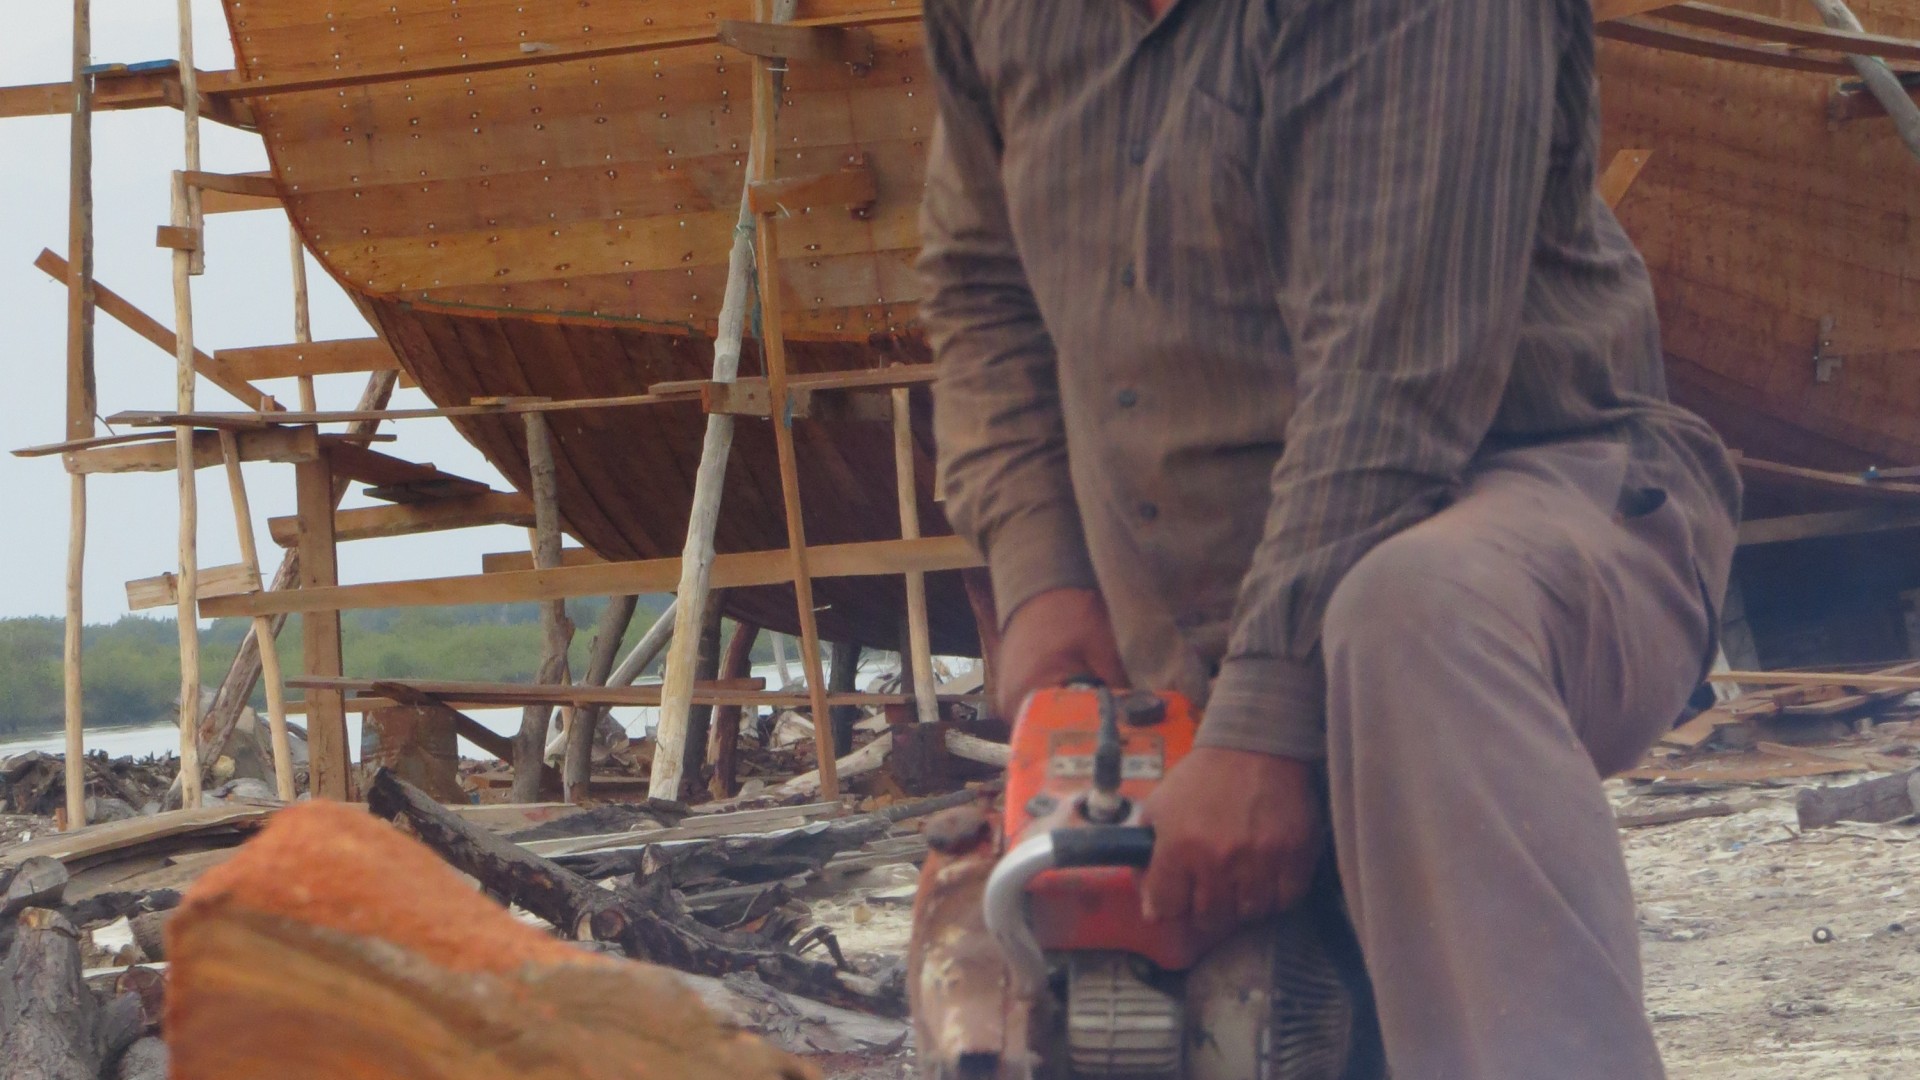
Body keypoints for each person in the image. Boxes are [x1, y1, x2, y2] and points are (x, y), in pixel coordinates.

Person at [917, 0, 1740, 1076]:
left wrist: (1263, 726)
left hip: (1531, 512)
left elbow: (1394, 382)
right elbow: (981, 284)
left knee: (1412, 618)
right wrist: (1041, 572)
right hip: (1204, 600)